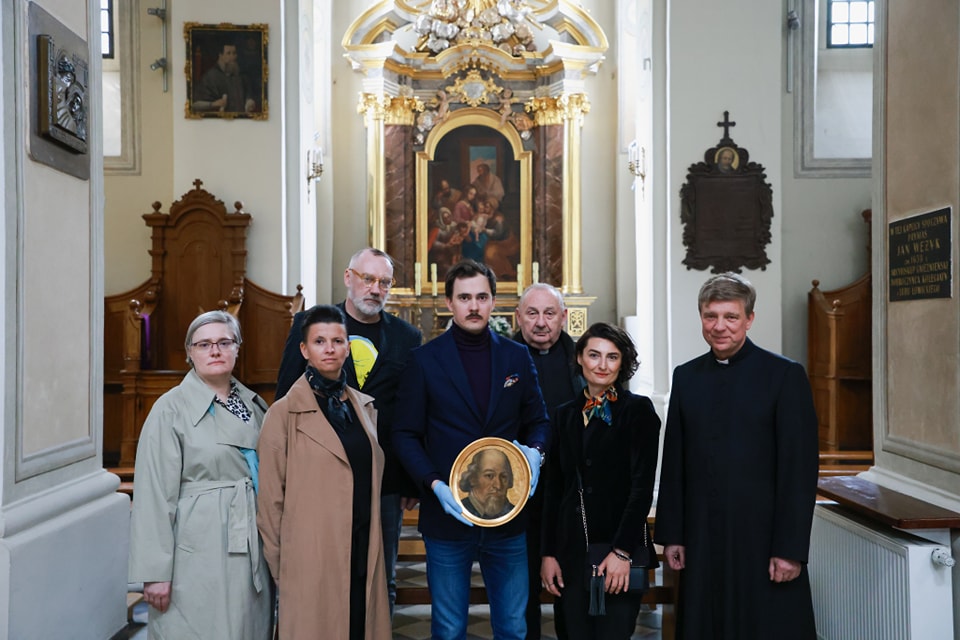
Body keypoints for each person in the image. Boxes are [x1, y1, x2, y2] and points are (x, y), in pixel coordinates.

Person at [654, 272, 819, 639]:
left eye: (731, 317)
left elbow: (799, 470)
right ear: (700, 317)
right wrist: (673, 534)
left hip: (762, 541)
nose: (719, 327)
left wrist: (790, 549)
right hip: (703, 536)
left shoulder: (784, 376)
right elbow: (675, 462)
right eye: (710, 316)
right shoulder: (687, 377)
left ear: (749, 319)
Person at [393, 259, 551, 640]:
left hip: (508, 514)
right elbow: (405, 433)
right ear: (450, 303)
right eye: (464, 298)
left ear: (493, 300)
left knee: (514, 627)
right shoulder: (424, 361)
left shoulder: (516, 357)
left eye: (481, 296)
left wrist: (535, 454)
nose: (474, 306)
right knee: (448, 629)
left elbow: (540, 422)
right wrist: (433, 485)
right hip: (447, 517)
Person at [274, 248, 422, 617]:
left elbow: (411, 411)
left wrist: (409, 481)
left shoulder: (407, 337)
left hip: (382, 477)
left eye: (384, 282)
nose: (375, 288)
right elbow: (285, 398)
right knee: (324, 570)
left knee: (380, 575)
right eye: (367, 278)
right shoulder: (313, 324)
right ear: (348, 277)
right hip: (319, 477)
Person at [128, 310, 272, 640]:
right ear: (190, 353)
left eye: (224, 342)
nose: (215, 350)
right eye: (204, 344)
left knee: (246, 625)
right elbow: (153, 495)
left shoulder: (253, 405)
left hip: (250, 536)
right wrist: (154, 573)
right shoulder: (171, 409)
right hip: (198, 547)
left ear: (238, 347)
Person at [258, 305, 390, 639]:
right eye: (319, 341)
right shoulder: (283, 414)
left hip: (361, 546)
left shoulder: (364, 407)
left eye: (337, 340)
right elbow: (270, 500)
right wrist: (281, 565)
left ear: (348, 347)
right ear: (304, 350)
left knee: (360, 626)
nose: (329, 348)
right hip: (311, 556)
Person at [540, 322, 661, 639]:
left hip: (618, 549)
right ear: (580, 357)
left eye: (612, 357)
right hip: (570, 552)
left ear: (623, 363)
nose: (602, 365)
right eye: (594, 355)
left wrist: (623, 552)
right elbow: (554, 489)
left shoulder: (638, 411)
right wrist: (549, 554)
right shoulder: (564, 414)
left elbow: (641, 489)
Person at [513, 283, 585, 640]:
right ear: (518, 317)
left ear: (564, 318)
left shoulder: (585, 360)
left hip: (571, 496)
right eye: (532, 313)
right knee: (520, 591)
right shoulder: (502, 358)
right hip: (518, 494)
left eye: (550, 313)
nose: (541, 323)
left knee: (569, 593)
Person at [192, 43, 257, 113]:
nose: (232, 57)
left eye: (234, 53)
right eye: (228, 53)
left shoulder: (242, 76)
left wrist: (249, 102)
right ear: (221, 56)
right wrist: (213, 104)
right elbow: (195, 105)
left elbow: (249, 97)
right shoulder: (210, 76)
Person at [458, 448, 517, 519]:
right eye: (489, 475)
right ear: (473, 479)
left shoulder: (515, 513)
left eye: (503, 477)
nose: (498, 486)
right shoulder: (459, 508)